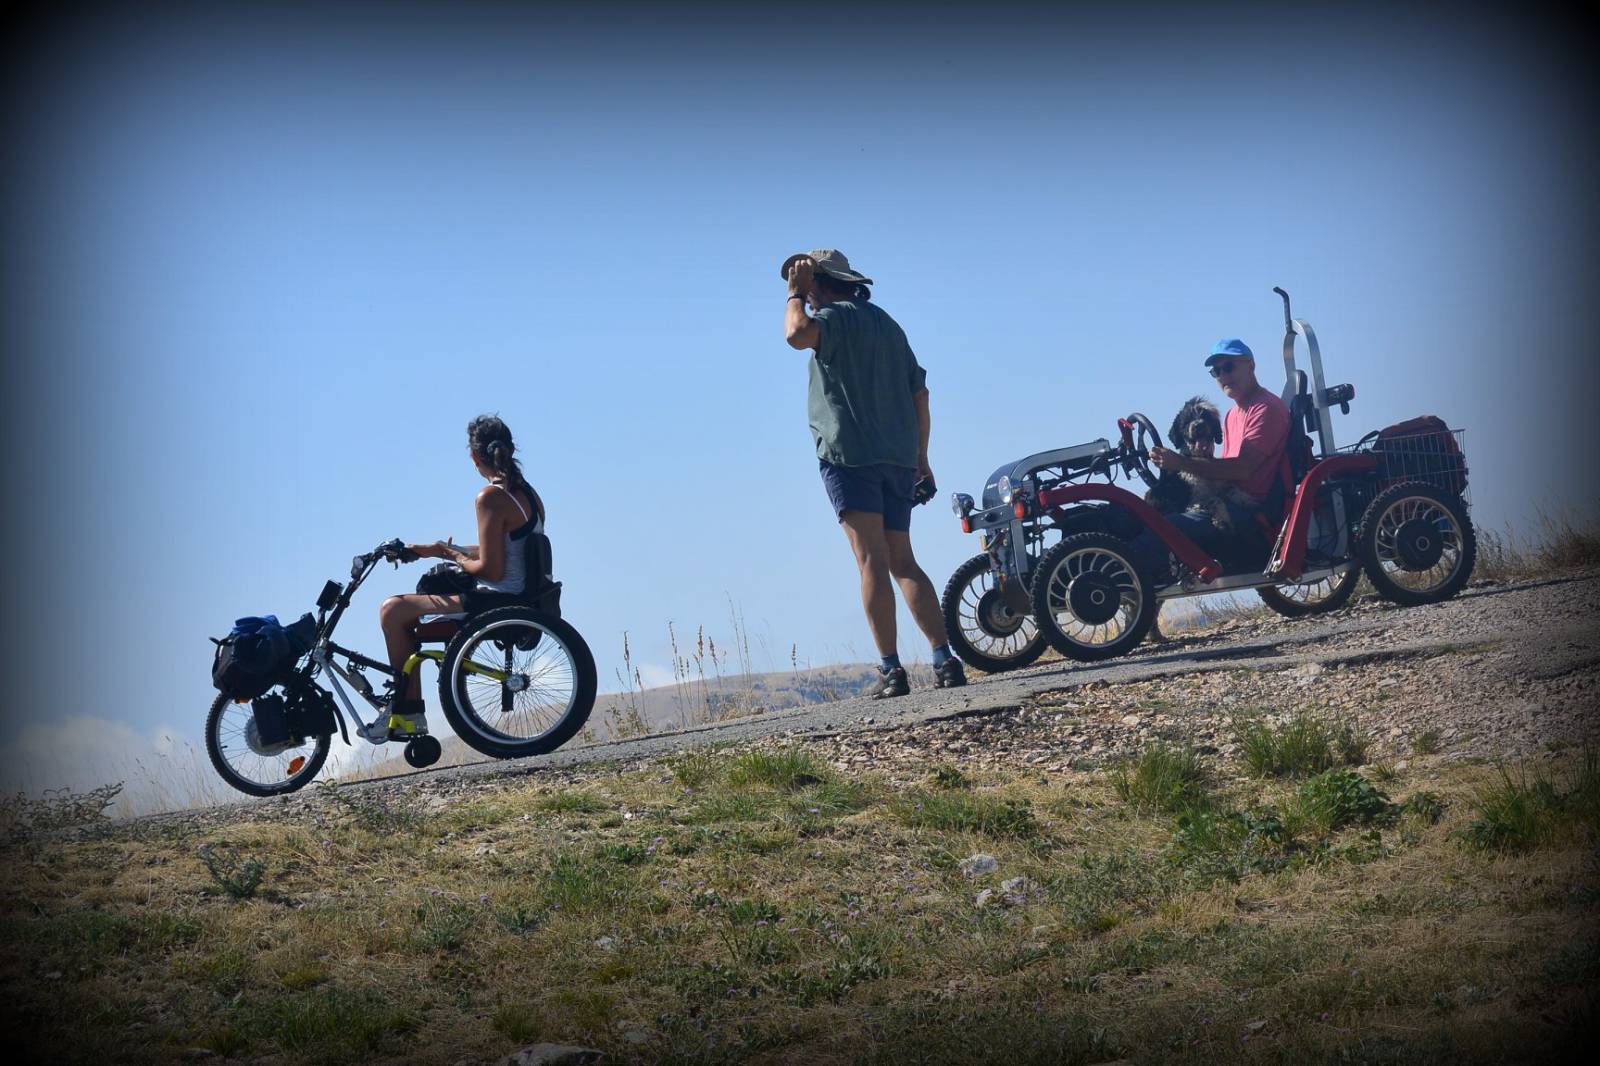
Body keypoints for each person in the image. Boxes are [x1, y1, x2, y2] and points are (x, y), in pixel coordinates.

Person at [780, 248, 965, 698]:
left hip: (851, 456)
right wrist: (922, 458)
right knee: (903, 559)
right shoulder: (887, 324)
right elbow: (921, 395)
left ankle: (891, 670)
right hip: (898, 457)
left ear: (819, 284)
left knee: (871, 562)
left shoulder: (835, 319)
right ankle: (944, 659)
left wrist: (792, 295)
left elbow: (796, 334)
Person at [355, 415, 545, 741]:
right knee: (410, 612)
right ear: (511, 449)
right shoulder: (526, 493)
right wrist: (439, 550)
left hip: (497, 601)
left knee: (393, 610)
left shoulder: (489, 497)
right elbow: (501, 549)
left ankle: (406, 713)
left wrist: (456, 558)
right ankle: (407, 706)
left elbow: (491, 570)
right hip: (520, 595)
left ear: (474, 457)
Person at [1142, 337, 1290, 574]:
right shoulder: (1232, 415)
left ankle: (1132, 587)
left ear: (1250, 365)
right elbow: (1221, 470)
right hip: (1223, 501)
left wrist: (1181, 462)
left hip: (1248, 511)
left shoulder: (1265, 409)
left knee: (1163, 529)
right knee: (1145, 517)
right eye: (1216, 371)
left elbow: (1241, 469)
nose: (1223, 375)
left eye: (1229, 367)